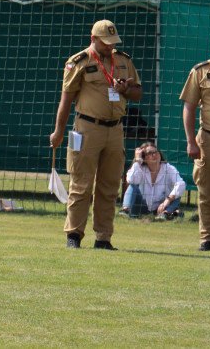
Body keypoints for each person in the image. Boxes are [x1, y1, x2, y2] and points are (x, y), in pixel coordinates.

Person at [50, 19, 142, 250]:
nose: (110, 47)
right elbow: (66, 99)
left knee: (109, 186)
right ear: (94, 39)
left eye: (113, 42)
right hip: (86, 128)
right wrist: (59, 132)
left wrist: (125, 90)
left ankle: (103, 238)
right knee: (81, 184)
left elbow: (138, 92)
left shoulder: (124, 60)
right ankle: (74, 235)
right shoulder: (78, 62)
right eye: (105, 43)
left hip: (115, 129)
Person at [180, 33, 210, 251]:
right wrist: (191, 141)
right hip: (209, 138)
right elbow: (189, 107)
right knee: (206, 191)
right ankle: (208, 238)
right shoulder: (201, 71)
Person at [118, 142, 185, 219]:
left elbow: (181, 184)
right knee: (133, 186)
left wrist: (168, 200)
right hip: (141, 208)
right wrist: (137, 161)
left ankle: (165, 214)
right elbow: (131, 180)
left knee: (176, 195)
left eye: (156, 152)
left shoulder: (169, 168)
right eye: (150, 153)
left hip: (161, 208)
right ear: (144, 158)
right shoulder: (140, 169)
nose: (154, 155)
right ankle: (125, 211)